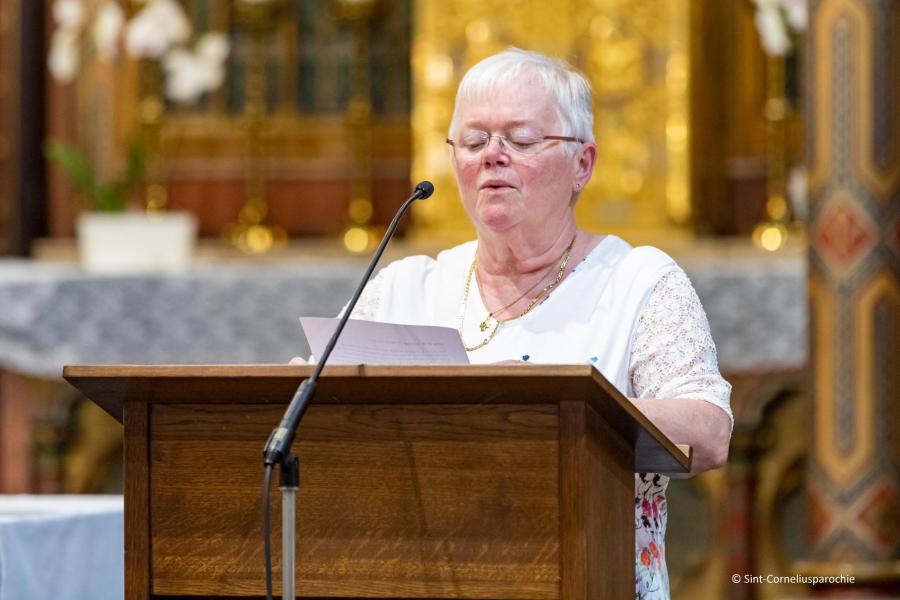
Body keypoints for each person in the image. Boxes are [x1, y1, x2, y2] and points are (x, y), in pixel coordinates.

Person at [295, 47, 732, 600]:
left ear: (583, 164)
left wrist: (547, 407)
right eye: (474, 141)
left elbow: (708, 433)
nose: (493, 157)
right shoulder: (405, 288)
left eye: (521, 141)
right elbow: (307, 406)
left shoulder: (637, 282)